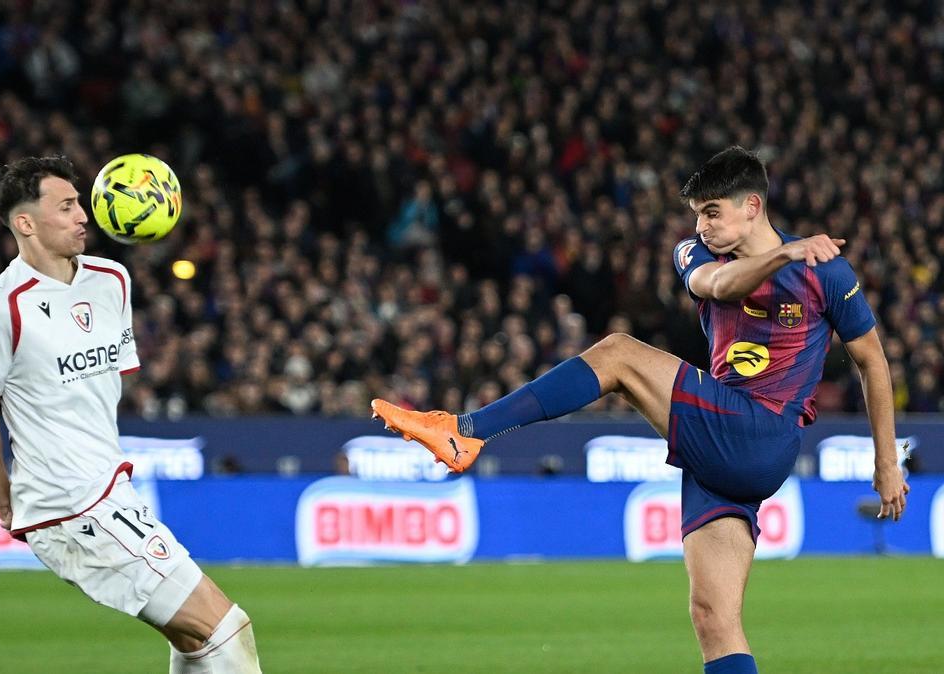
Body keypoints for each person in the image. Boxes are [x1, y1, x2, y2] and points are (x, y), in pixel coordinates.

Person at [373, 146, 909, 674]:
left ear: (752, 205)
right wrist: (784, 254)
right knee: (713, 620)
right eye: (698, 214)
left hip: (762, 431)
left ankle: (467, 430)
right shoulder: (698, 254)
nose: (701, 226)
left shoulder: (827, 273)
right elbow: (718, 285)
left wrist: (887, 462)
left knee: (618, 354)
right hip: (719, 445)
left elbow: (872, 362)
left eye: (712, 212)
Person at [0, 156, 261, 673]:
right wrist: (6, 503)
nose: (83, 216)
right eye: (67, 205)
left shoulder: (111, 279)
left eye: (80, 203)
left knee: (195, 641)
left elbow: (101, 387)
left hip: (111, 491)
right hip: (69, 506)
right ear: (25, 223)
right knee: (226, 629)